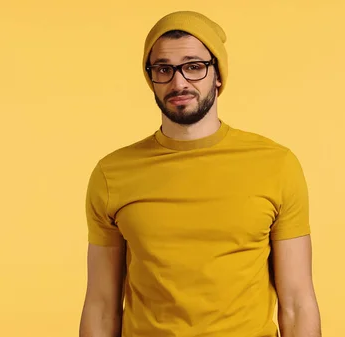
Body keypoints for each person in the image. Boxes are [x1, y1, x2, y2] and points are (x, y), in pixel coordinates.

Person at [79, 10, 321, 337]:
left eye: (194, 66)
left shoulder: (276, 165)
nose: (179, 82)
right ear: (151, 78)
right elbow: (102, 305)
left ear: (217, 75)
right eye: (164, 69)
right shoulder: (112, 174)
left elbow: (296, 302)